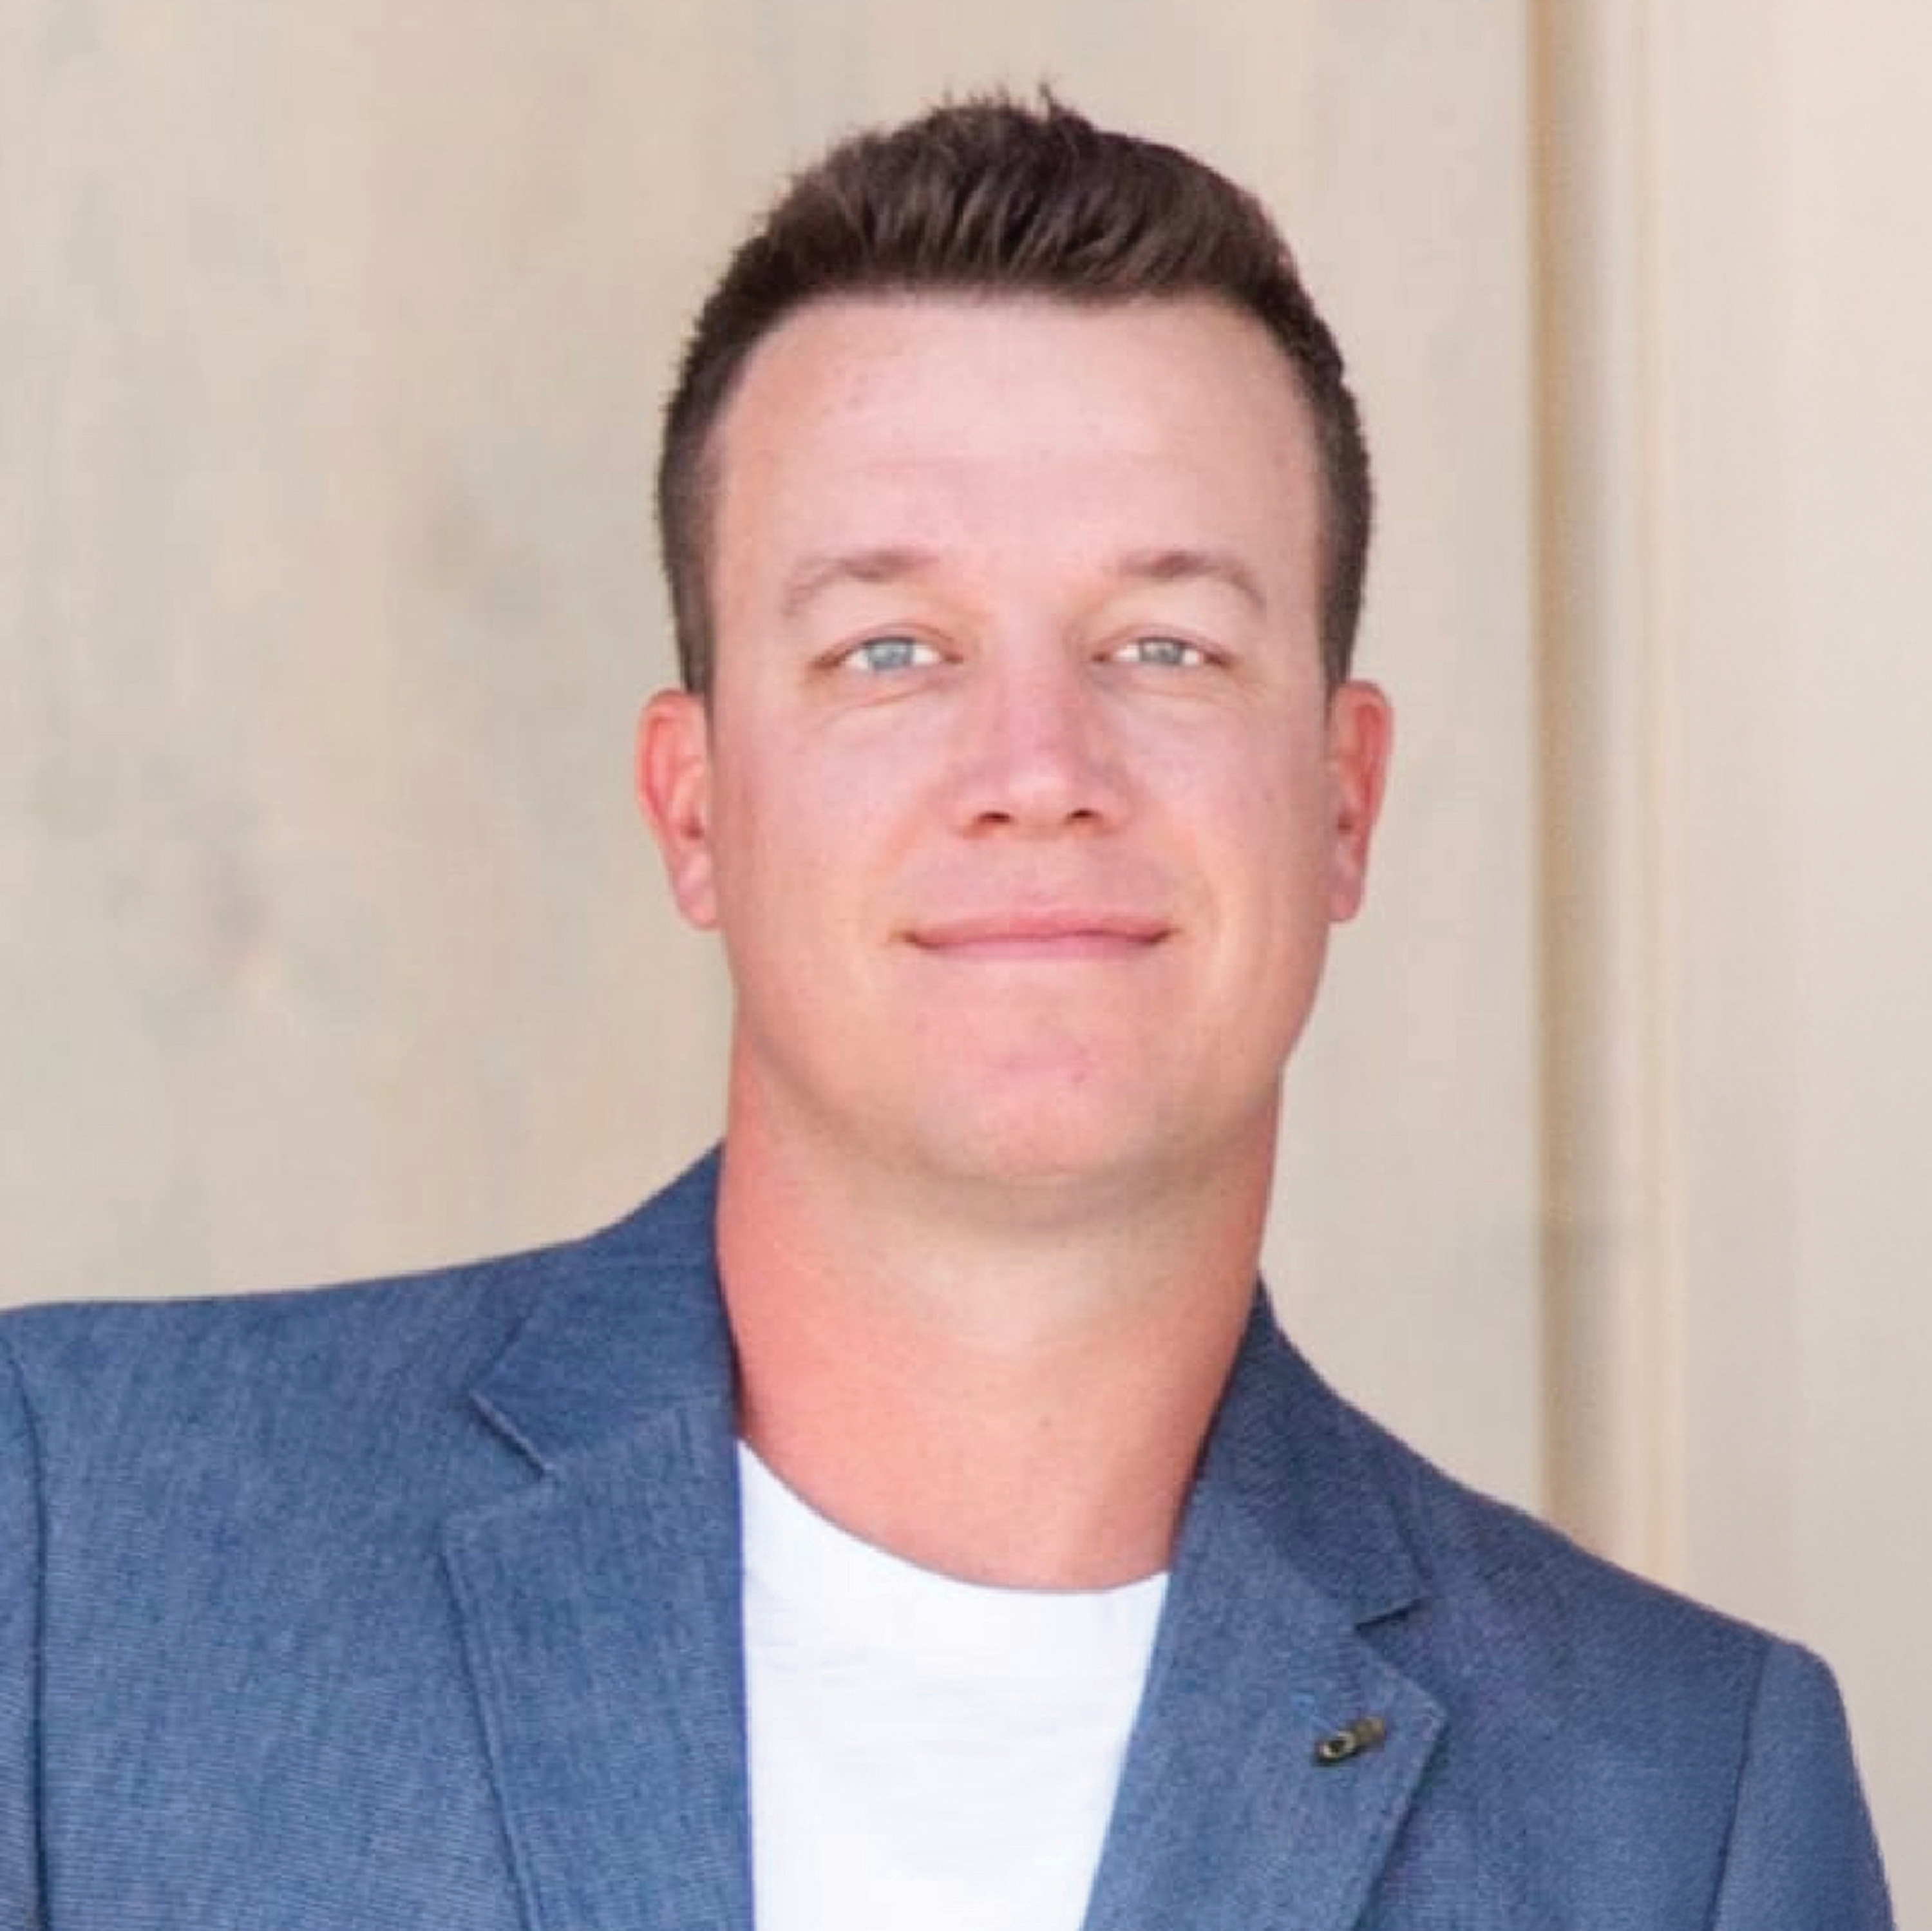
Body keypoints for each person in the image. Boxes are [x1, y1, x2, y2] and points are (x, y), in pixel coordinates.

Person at [0, 95, 1890, 1929]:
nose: (1039, 767)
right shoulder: (79, 1549)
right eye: (889, 651)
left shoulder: (1679, 1801)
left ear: (1341, 801)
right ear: (695, 808)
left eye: (1167, 646)